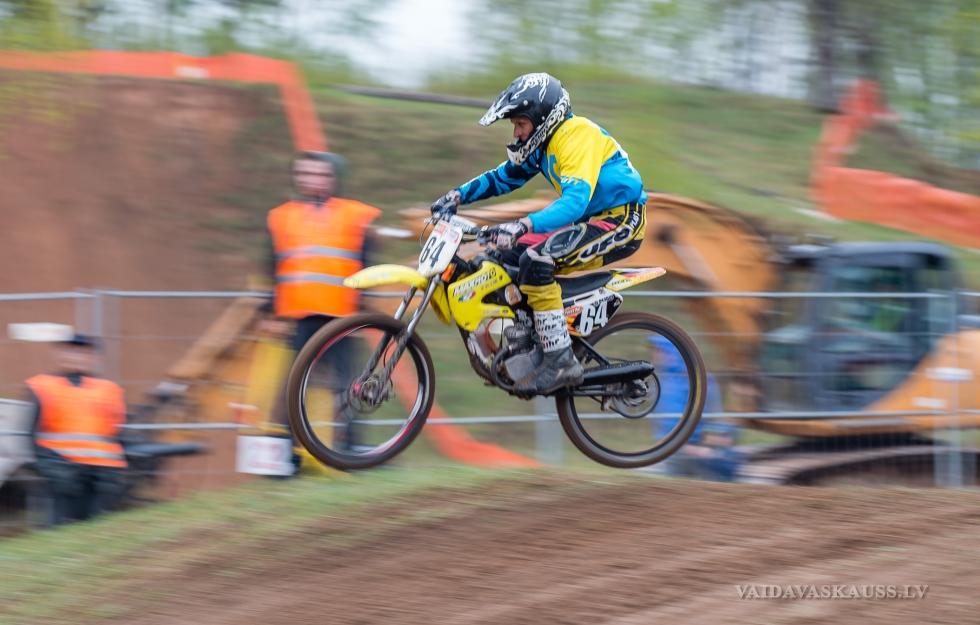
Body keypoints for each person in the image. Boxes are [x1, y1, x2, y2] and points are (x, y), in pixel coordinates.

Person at [430, 72, 647, 395]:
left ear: (543, 118)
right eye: (514, 125)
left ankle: (560, 359)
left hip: (619, 220)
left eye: (520, 124)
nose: (516, 132)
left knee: (535, 259)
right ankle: (529, 343)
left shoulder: (575, 135)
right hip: (590, 219)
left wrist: (523, 224)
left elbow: (574, 202)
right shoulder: (543, 146)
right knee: (502, 256)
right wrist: (457, 195)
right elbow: (503, 178)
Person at [263, 151, 381, 466]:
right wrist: (270, 312)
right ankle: (286, 456)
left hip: (341, 318)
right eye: (305, 173)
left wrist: (362, 310)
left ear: (333, 179)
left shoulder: (354, 215)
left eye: (320, 174)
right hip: (301, 318)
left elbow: (367, 264)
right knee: (293, 389)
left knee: (347, 386)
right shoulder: (281, 217)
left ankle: (351, 452)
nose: (312, 180)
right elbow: (273, 267)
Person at [25, 334, 128, 525]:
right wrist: (48, 467)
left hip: (101, 480)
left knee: (97, 532)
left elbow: (118, 434)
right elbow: (30, 434)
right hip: (61, 477)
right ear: (59, 355)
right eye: (71, 352)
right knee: (58, 531)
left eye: (83, 353)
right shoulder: (42, 387)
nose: (77, 357)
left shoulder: (110, 390)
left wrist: (117, 473)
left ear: (95, 358)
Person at [648, 335, 740, 482]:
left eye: (659, 351)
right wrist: (695, 450)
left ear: (672, 353)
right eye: (654, 350)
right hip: (680, 452)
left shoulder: (701, 379)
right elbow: (665, 432)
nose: (654, 355)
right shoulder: (663, 383)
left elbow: (715, 416)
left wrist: (719, 438)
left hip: (700, 447)